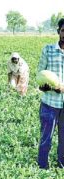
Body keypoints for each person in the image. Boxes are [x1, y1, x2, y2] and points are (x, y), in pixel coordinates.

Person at [37, 18, 64, 169]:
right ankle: (42, 166)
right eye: (63, 30)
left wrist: (62, 88)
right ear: (58, 32)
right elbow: (40, 76)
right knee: (46, 137)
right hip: (50, 103)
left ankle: (62, 165)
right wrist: (45, 87)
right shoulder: (48, 49)